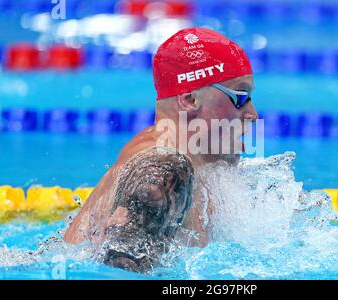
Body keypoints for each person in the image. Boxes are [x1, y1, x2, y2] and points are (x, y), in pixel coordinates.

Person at [63, 27, 258, 272]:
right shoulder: (166, 171)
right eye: (240, 98)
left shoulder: (195, 169)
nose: (252, 114)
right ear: (190, 100)